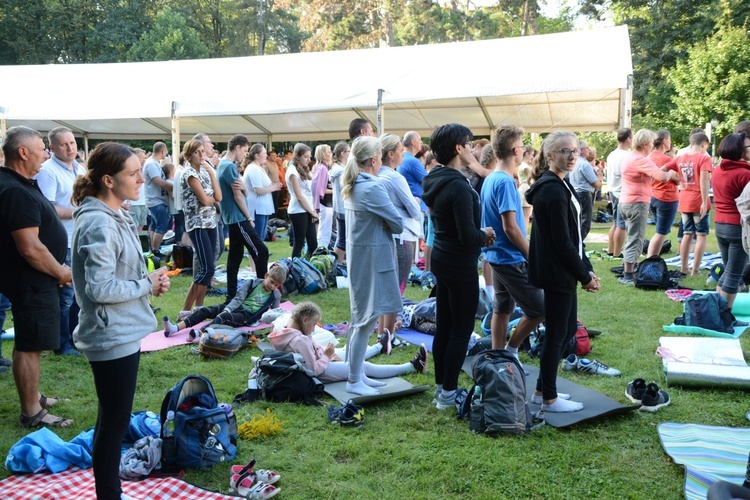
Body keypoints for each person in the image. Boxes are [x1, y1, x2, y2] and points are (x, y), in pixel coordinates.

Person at [71, 142, 170, 500]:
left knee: (110, 420)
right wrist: (146, 283)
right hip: (110, 336)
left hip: (117, 332)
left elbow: (114, 276)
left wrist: (149, 282)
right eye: (133, 173)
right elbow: (99, 287)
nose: (142, 179)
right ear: (109, 180)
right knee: (113, 425)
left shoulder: (111, 214)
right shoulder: (100, 221)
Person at [0, 126, 73, 428]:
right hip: (32, 279)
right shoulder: (15, 189)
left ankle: (35, 396)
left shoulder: (18, 182)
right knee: (30, 344)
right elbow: (30, 247)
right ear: (23, 153)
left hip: (33, 278)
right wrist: (60, 271)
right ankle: (32, 411)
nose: (45, 153)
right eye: (42, 148)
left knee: (31, 342)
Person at [421, 123, 496, 410]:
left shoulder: (436, 177)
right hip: (457, 261)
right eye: (468, 144)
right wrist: (485, 234)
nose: (472, 149)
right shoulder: (457, 185)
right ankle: (449, 394)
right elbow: (468, 235)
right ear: (458, 148)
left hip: (442, 257)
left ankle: (443, 388)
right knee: (460, 329)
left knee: (446, 326)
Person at [525, 131, 599, 413]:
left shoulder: (560, 184)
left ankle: (542, 391)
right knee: (557, 333)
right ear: (549, 155)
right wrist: (584, 276)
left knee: (565, 329)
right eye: (564, 151)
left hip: (563, 270)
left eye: (574, 151)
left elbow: (573, 237)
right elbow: (563, 242)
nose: (571, 156)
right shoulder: (552, 189)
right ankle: (549, 398)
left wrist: (587, 269)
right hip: (557, 272)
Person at [341, 135, 404, 396]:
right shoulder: (371, 187)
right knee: (366, 319)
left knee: (361, 318)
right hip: (371, 258)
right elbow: (398, 222)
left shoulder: (355, 183)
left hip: (362, 257)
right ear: (375, 160)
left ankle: (357, 374)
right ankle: (354, 379)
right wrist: (385, 222)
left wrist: (383, 222)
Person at [481, 125, 545, 353]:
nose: (524, 150)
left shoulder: (491, 178)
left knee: (502, 308)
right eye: (522, 145)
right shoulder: (505, 182)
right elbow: (511, 228)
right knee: (540, 309)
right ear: (515, 150)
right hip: (510, 258)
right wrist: (531, 255)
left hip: (497, 256)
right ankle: (510, 350)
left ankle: (499, 355)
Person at [269, 302, 428, 384]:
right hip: (322, 370)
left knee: (348, 352)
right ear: (304, 320)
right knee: (361, 366)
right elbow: (314, 370)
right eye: (313, 325)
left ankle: (379, 346)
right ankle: (412, 367)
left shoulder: (285, 331)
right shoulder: (300, 340)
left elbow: (309, 351)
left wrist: (326, 354)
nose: (312, 329)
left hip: (320, 358)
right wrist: (327, 356)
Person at [35, 126, 86, 356]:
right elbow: (48, 208)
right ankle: (61, 343)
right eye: (64, 144)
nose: (70, 147)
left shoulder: (79, 167)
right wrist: (80, 211)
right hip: (62, 240)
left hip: (80, 237)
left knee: (79, 292)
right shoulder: (48, 171)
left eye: (73, 142)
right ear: (52, 148)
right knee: (65, 294)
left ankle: (74, 338)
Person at [617, 129, 679, 284]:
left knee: (631, 237)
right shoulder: (640, 159)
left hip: (625, 201)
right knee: (636, 238)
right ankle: (628, 275)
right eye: (651, 143)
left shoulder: (630, 156)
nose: (652, 146)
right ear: (645, 144)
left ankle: (628, 269)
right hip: (637, 203)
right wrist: (671, 172)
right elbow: (662, 177)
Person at [217, 136, 270, 303]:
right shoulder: (229, 167)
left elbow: (244, 191)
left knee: (235, 258)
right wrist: (249, 217)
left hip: (233, 218)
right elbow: (238, 195)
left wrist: (245, 191)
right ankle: (263, 293)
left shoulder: (223, 165)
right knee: (261, 251)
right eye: (245, 150)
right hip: (239, 218)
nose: (245, 154)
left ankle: (231, 295)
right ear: (237, 147)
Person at [164, 267, 286, 338]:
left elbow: (275, 312)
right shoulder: (251, 283)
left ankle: (199, 333)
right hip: (235, 306)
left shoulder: (276, 295)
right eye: (271, 282)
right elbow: (238, 299)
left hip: (245, 316)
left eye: (276, 285)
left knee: (224, 317)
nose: (273, 286)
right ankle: (175, 328)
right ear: (266, 276)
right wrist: (227, 308)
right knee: (206, 310)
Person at [179, 139, 222, 317]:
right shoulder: (189, 174)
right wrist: (210, 198)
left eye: (203, 151)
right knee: (206, 268)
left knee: (208, 266)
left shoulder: (204, 172)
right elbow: (205, 200)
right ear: (189, 156)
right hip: (197, 224)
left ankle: (199, 307)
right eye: (197, 152)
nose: (202, 155)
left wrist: (212, 173)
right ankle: (186, 310)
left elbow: (218, 196)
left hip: (210, 222)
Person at [662, 132, 712, 276]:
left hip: (684, 200)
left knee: (687, 233)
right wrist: (704, 201)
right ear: (704, 144)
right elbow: (704, 180)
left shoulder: (680, 158)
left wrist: (674, 178)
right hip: (698, 200)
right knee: (701, 235)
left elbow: (661, 171)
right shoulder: (704, 158)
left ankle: (684, 267)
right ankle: (695, 269)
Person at [711, 133, 750, 309]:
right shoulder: (744, 174)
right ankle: (725, 315)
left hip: (720, 225)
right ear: (740, 150)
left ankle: (718, 311)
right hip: (737, 228)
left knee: (728, 271)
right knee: (734, 274)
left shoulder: (718, 170)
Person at [242, 144, 281, 251]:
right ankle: (255, 265)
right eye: (264, 153)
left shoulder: (258, 168)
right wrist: (273, 188)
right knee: (257, 238)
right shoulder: (253, 169)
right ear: (257, 155)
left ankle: (258, 262)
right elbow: (258, 190)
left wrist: (273, 186)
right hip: (257, 208)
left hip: (263, 208)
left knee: (261, 237)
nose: (266, 156)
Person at [647, 130, 678, 258]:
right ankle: (651, 260)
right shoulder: (667, 159)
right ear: (664, 140)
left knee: (659, 231)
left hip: (653, 196)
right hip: (666, 197)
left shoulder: (649, 157)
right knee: (661, 232)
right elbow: (679, 178)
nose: (670, 142)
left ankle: (654, 258)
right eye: (669, 139)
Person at [286, 143, 319, 258]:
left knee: (313, 244)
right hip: (298, 211)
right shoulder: (292, 171)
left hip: (307, 209)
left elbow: (310, 193)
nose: (308, 159)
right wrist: (312, 212)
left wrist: (312, 210)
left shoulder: (305, 169)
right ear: (297, 156)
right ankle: (295, 269)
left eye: (309, 157)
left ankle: (310, 269)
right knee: (299, 243)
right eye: (305, 156)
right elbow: (299, 196)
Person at [605, 128, 632, 258]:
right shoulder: (626, 155)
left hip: (613, 190)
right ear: (628, 139)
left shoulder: (612, 154)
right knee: (621, 225)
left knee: (615, 223)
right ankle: (617, 253)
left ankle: (611, 249)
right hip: (622, 192)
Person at [569, 140, 603, 241]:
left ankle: (576, 243)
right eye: (587, 148)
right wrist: (599, 178)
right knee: (585, 223)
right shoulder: (585, 164)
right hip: (584, 194)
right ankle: (577, 244)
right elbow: (596, 183)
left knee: (577, 222)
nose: (589, 150)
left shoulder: (574, 162)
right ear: (580, 150)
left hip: (575, 194)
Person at [142, 142, 171, 258]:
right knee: (161, 226)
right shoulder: (151, 164)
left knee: (155, 226)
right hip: (155, 200)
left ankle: (154, 250)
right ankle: (155, 250)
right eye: (166, 152)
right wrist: (174, 187)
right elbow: (158, 181)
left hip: (155, 200)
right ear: (162, 151)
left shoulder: (153, 163)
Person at [329, 142, 351, 264]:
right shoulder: (341, 171)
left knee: (341, 238)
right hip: (343, 208)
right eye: (348, 151)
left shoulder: (337, 169)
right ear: (342, 153)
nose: (350, 154)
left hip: (339, 207)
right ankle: (336, 265)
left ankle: (338, 263)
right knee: (343, 240)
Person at [311, 144, 334, 249]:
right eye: (329, 152)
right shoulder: (323, 168)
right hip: (325, 203)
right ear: (324, 154)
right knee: (325, 230)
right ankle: (322, 251)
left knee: (323, 229)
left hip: (324, 203)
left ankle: (322, 249)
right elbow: (322, 190)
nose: (331, 154)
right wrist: (336, 191)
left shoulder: (319, 167)